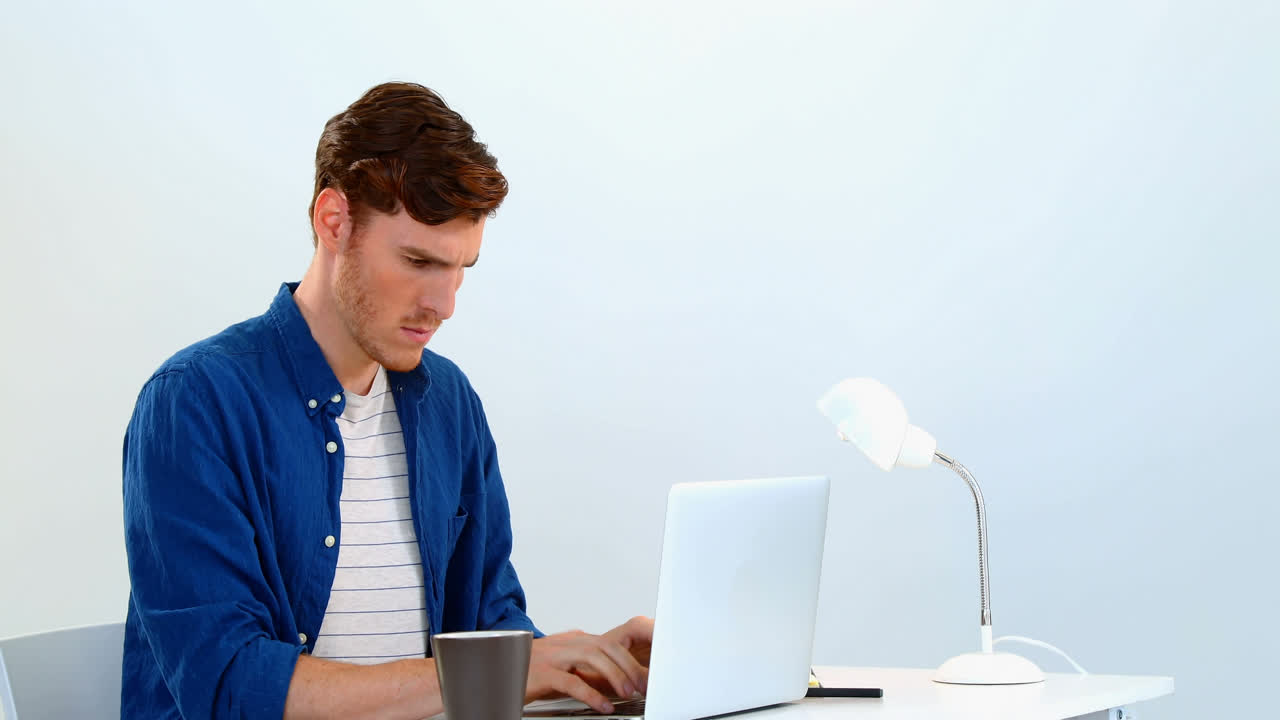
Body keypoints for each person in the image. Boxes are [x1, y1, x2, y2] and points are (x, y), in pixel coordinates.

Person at [121, 81, 652, 720]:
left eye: (461, 269)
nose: (444, 305)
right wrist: (505, 669)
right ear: (334, 221)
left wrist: (589, 667)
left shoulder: (450, 403)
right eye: (418, 261)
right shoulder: (195, 404)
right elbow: (231, 684)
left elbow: (489, 627)